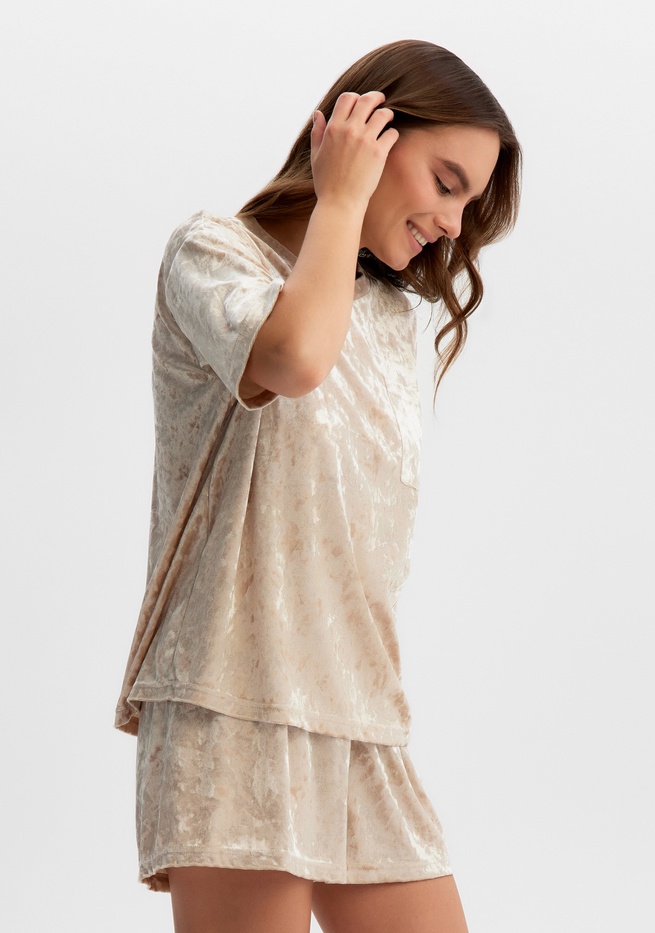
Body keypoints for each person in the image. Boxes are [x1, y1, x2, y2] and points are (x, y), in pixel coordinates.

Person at [114, 38, 521, 933]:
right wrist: (338, 195)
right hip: (234, 699)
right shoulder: (212, 253)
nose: (455, 224)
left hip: (361, 714)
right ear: (362, 135)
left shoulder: (387, 315)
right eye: (446, 182)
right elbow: (293, 358)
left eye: (470, 203)